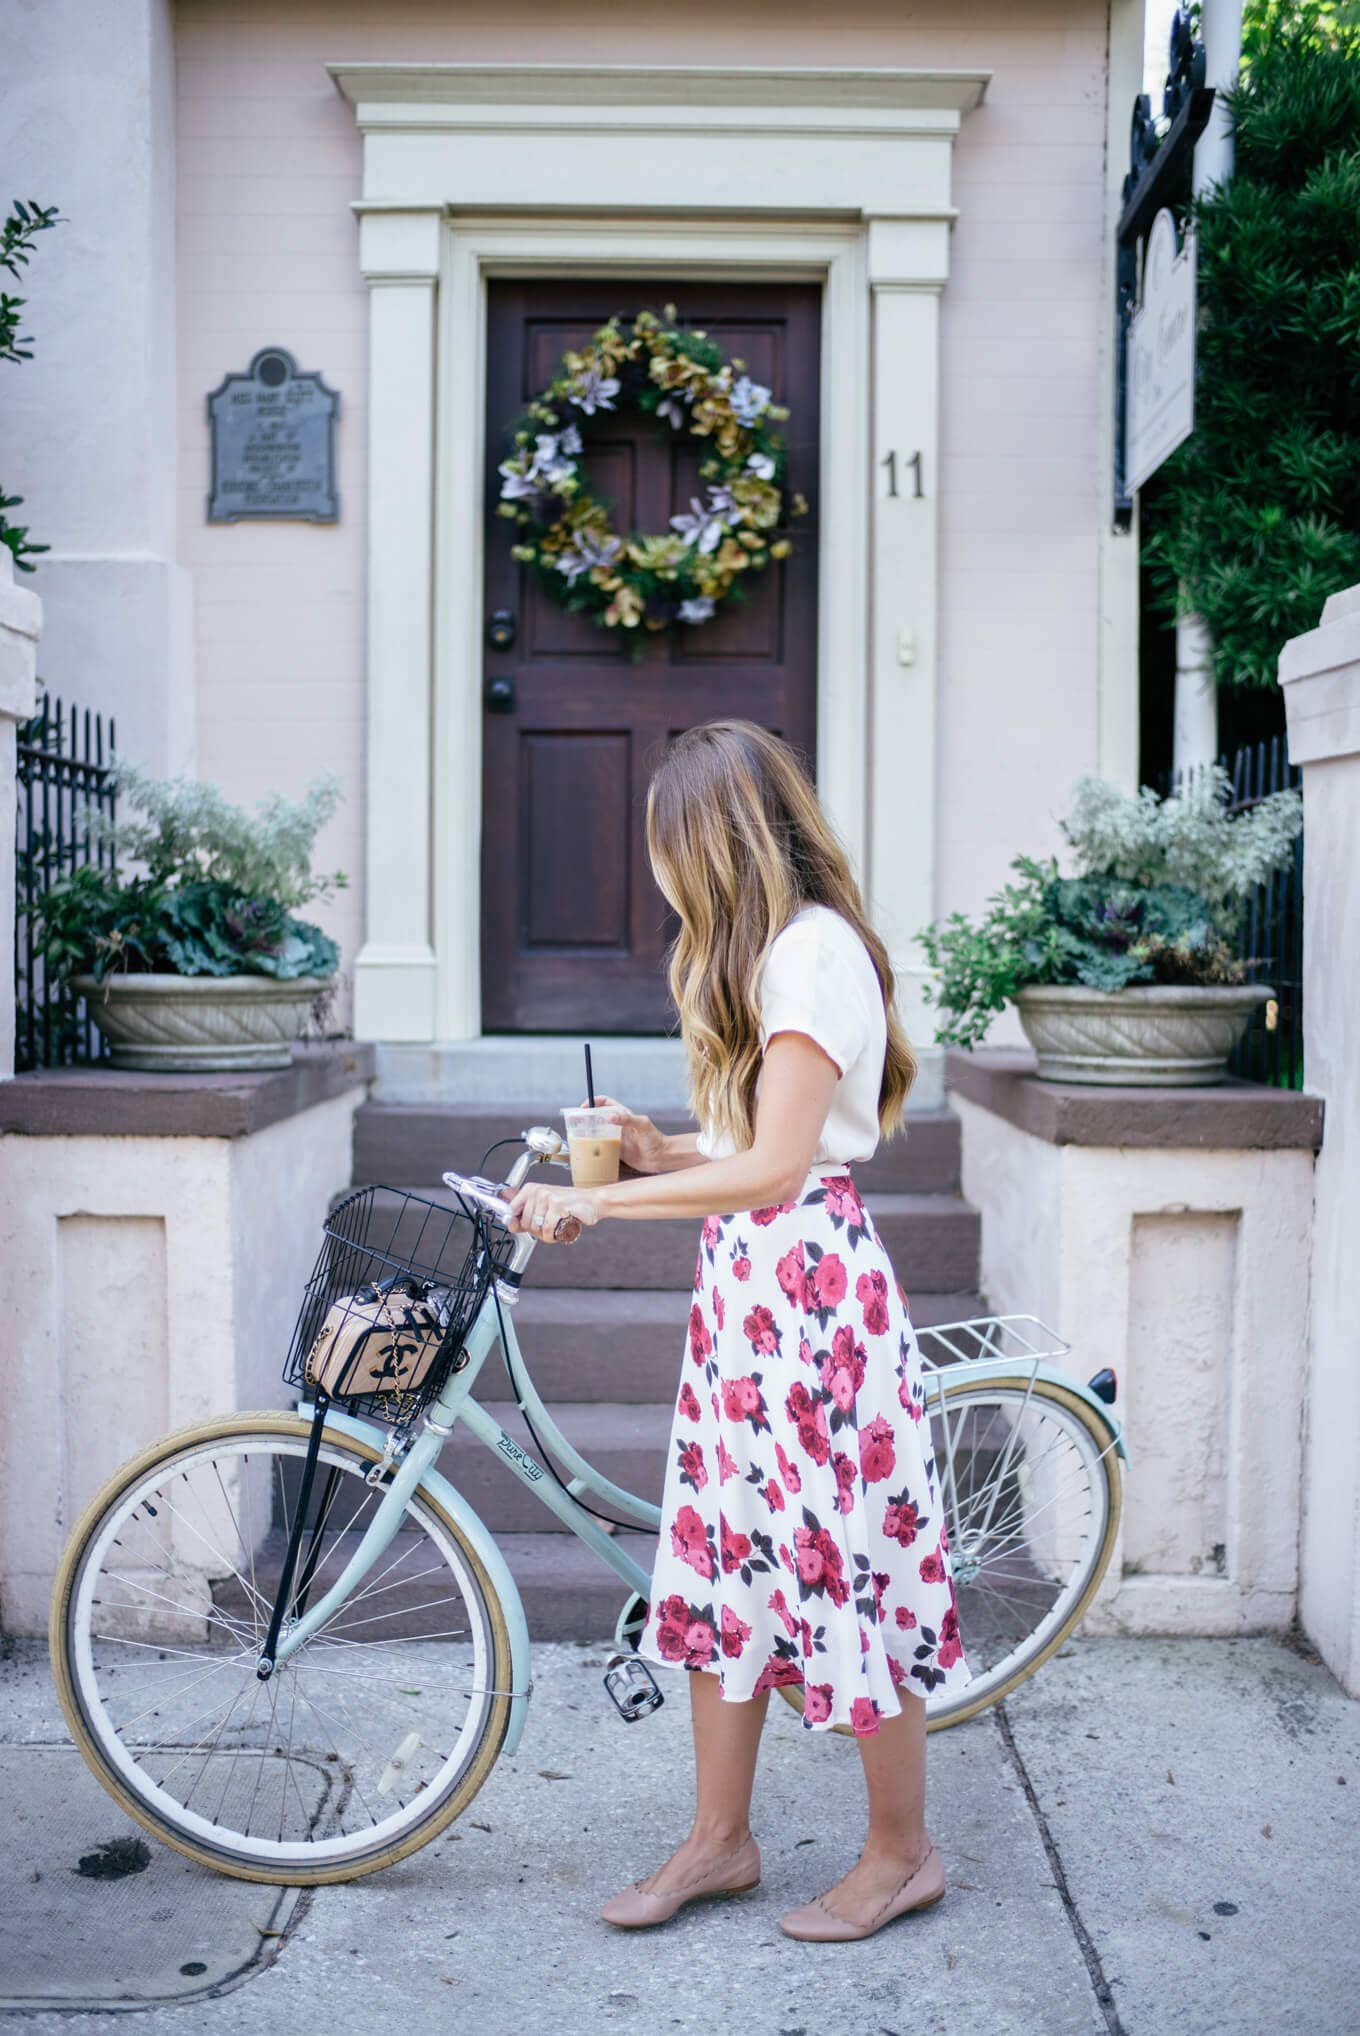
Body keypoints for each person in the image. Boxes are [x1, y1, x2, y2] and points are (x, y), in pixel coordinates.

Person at [508, 719, 972, 1942]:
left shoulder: (812, 956)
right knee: (728, 1559)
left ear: (709, 842)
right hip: (755, 1301)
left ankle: (901, 1850)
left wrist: (601, 1196)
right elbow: (764, 1148)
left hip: (809, 1304)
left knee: (844, 1563)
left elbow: (777, 1170)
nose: (659, 873)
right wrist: (662, 1149)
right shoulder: (777, 955)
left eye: (668, 845)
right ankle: (719, 1840)